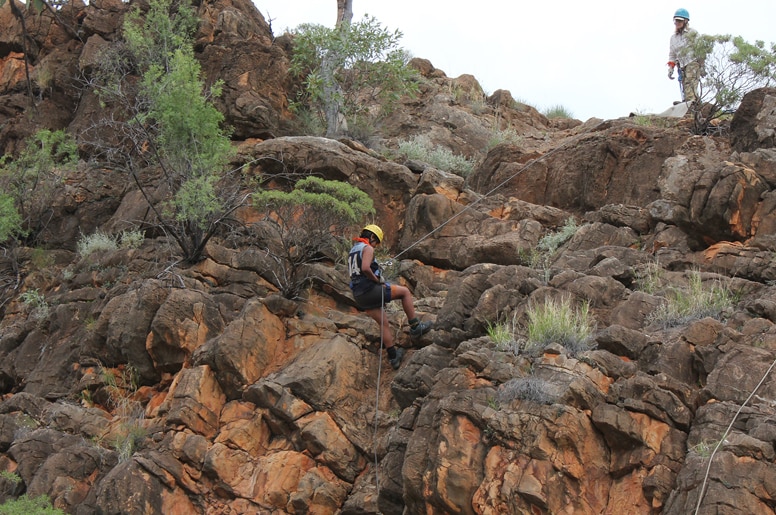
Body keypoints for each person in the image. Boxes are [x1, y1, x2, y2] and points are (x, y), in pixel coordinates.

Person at [348, 224, 432, 369]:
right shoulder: (367, 248)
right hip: (369, 289)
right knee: (404, 292)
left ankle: (393, 357)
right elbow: (366, 268)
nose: (375, 246)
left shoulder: (353, 250)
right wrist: (377, 280)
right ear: (372, 237)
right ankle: (416, 326)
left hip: (359, 295)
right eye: (376, 242)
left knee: (383, 323)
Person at [667, 8, 702, 104]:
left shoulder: (692, 33)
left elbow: (700, 49)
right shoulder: (673, 38)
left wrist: (702, 66)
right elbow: (672, 54)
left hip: (692, 62)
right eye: (676, 20)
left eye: (679, 21)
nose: (677, 23)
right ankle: (694, 107)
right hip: (681, 65)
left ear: (685, 21)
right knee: (684, 87)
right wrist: (671, 68)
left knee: (690, 85)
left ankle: (690, 108)